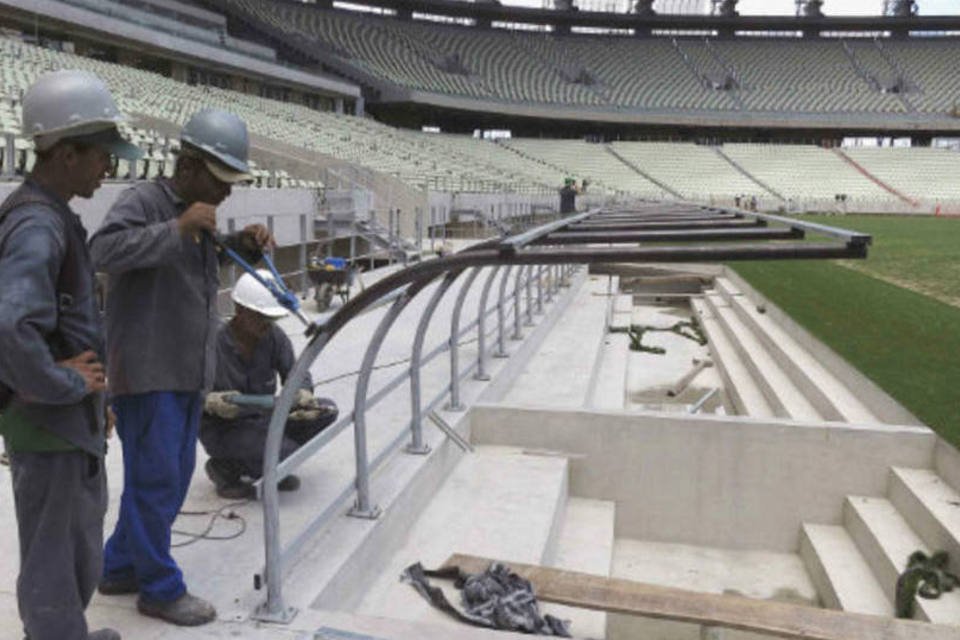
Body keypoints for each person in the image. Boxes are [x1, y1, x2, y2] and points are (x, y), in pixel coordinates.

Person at [89, 108, 273, 627]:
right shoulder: (144, 202)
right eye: (222, 181)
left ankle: (120, 565)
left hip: (187, 372)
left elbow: (194, 261)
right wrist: (177, 228)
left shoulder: (197, 214)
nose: (228, 193)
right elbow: (103, 251)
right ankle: (159, 588)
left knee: (169, 478)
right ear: (190, 166)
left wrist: (243, 247)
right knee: (157, 482)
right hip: (148, 375)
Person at [0, 70, 142, 640]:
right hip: (47, 423)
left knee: (75, 547)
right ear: (65, 153)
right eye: (100, 153)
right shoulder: (37, 222)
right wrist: (64, 385)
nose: (108, 165)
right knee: (56, 561)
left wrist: (92, 397)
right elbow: (10, 323)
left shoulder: (50, 213)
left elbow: (59, 325)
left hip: (65, 421)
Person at [201, 270, 338, 499]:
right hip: (225, 429)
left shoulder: (274, 337)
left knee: (326, 411)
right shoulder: (211, 344)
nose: (268, 324)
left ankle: (267, 462)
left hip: (263, 419)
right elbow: (183, 393)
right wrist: (208, 402)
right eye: (261, 317)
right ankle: (225, 467)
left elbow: (297, 373)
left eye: (271, 318)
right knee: (286, 453)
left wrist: (303, 393)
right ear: (240, 310)